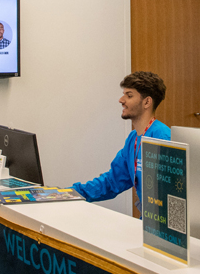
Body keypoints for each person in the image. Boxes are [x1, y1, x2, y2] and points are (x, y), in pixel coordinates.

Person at [72, 72, 169, 216]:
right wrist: (70, 193)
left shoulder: (162, 137)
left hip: (161, 227)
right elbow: (113, 181)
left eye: (129, 95)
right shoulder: (133, 139)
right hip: (147, 222)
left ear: (147, 102)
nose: (121, 100)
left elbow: (170, 193)